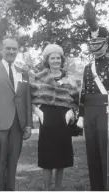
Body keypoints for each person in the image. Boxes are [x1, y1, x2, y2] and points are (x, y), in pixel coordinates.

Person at [77, 2, 109, 191]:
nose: (96, 47)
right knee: (92, 156)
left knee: (107, 157)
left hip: (107, 113)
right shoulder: (87, 67)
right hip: (90, 113)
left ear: (106, 44)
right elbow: (83, 92)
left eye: (99, 44)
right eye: (93, 44)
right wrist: (81, 115)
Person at [0, 37, 33, 191]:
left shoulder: (23, 72)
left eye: (14, 49)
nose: (11, 51)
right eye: (8, 48)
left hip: (18, 125)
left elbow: (26, 100)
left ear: (17, 51)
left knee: (12, 164)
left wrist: (28, 124)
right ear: (1, 50)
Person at [31, 44, 79, 190]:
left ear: (62, 59)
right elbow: (29, 99)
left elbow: (77, 99)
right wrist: (39, 113)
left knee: (61, 158)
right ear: (47, 60)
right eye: (52, 58)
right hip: (47, 118)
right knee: (47, 158)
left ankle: (58, 189)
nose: (56, 61)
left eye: (58, 58)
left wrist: (72, 111)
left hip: (63, 119)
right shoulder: (39, 77)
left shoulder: (69, 77)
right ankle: (47, 189)